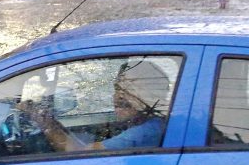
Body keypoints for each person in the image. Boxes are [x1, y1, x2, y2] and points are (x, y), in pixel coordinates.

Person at [24, 59, 171, 152]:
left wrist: (41, 119)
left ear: (150, 95)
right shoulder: (154, 124)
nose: (118, 97)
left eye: (129, 90)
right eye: (117, 88)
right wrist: (52, 122)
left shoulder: (143, 133)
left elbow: (79, 154)